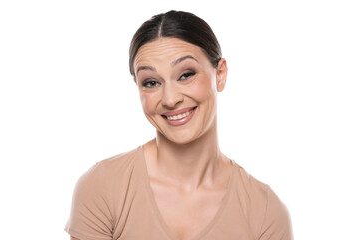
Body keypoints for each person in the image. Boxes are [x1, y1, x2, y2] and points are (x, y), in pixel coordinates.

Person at [65, 10, 293, 240]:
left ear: (220, 74)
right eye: (151, 82)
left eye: (186, 74)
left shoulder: (265, 214)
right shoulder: (103, 188)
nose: (170, 99)